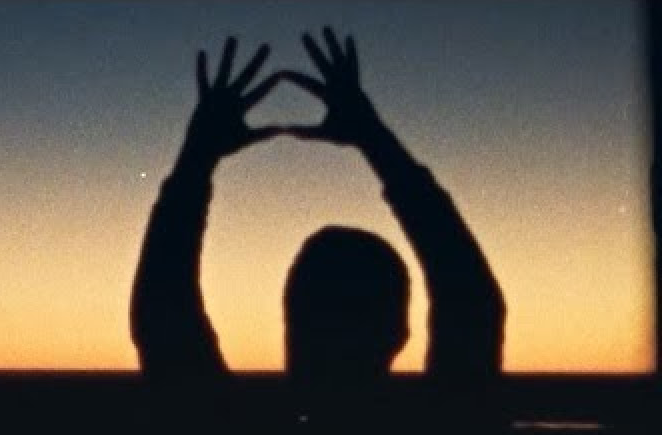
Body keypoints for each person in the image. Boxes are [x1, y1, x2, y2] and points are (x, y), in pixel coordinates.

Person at [131, 30, 505, 392]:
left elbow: (162, 315)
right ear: (399, 334)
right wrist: (374, 138)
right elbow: (470, 299)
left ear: (289, 321)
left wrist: (196, 159)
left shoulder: (227, 427)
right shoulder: (441, 425)